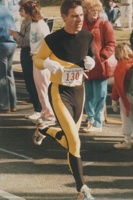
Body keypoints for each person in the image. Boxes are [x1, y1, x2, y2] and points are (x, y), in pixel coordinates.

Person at [33, 0, 95, 199]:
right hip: (60, 93)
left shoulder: (87, 36)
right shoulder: (53, 39)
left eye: (81, 15)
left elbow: (90, 59)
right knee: (75, 142)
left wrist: (91, 63)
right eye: (74, 16)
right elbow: (37, 59)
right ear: (64, 17)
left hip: (79, 92)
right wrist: (48, 63)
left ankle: (44, 129)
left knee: (70, 141)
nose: (79, 20)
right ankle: (82, 190)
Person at [82, 0, 116, 133]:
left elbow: (111, 44)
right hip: (85, 65)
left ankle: (97, 121)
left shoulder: (104, 24)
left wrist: (101, 57)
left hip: (100, 66)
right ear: (86, 11)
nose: (96, 12)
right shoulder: (82, 24)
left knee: (100, 94)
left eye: (97, 10)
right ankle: (90, 119)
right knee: (89, 94)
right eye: (92, 10)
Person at [23, 1, 56, 123]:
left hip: (41, 59)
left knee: (44, 87)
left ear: (28, 12)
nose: (22, 13)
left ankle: (50, 115)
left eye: (23, 11)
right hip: (35, 58)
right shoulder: (33, 23)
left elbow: (49, 40)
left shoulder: (41, 25)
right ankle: (45, 111)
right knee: (39, 88)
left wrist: (45, 57)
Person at [9, 0, 42, 122]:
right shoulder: (26, 22)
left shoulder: (32, 23)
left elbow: (27, 41)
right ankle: (37, 108)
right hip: (26, 53)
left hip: (29, 53)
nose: (19, 11)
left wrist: (15, 35)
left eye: (21, 9)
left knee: (32, 82)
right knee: (29, 82)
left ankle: (39, 109)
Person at [111, 43, 133, 149]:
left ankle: (127, 141)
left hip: (126, 95)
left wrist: (114, 100)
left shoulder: (121, 66)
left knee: (125, 117)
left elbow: (117, 85)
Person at [0, 5, 17, 113]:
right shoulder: (6, 9)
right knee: (9, 74)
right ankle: (13, 103)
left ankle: (4, 105)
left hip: (1, 45)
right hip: (11, 44)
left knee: (1, 76)